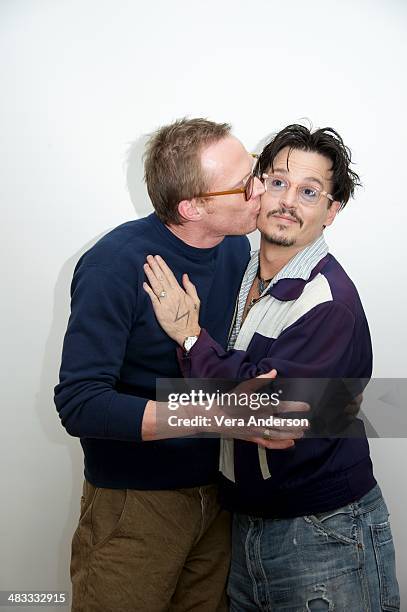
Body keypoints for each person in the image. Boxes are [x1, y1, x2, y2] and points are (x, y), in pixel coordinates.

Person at [144, 124, 400, 611]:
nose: (287, 202)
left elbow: (267, 413)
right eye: (278, 182)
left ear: (332, 210)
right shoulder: (241, 270)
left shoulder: (329, 302)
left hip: (325, 536)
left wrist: (192, 338)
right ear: (256, 187)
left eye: (310, 192)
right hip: (246, 526)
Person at [54, 117, 298, 612]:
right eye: (245, 181)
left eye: (255, 168)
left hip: (219, 498)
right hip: (136, 505)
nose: (262, 188)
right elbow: (80, 403)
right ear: (192, 207)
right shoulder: (115, 265)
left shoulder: (237, 250)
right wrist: (218, 413)